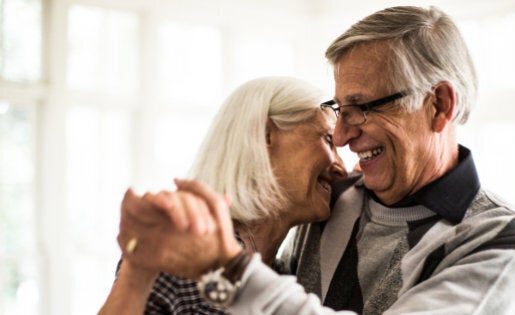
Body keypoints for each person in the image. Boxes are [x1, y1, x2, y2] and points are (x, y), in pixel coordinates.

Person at [113, 5, 515, 315]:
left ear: (439, 105)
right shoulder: (337, 200)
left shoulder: (495, 241)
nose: (341, 136)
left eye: (362, 107)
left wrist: (228, 270)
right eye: (338, 111)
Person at [98, 76, 348, 314]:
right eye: (328, 140)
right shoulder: (184, 247)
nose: (342, 169)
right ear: (265, 135)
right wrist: (137, 269)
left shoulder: (285, 278)